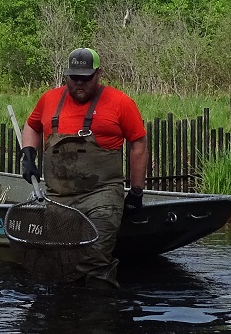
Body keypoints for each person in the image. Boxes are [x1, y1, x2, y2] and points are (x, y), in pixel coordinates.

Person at [20, 47, 147, 288]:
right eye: (74, 77)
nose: (79, 83)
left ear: (98, 75)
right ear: (66, 76)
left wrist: (137, 191)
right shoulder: (49, 99)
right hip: (59, 198)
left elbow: (138, 144)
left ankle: (99, 317)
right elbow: (32, 126)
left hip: (100, 195)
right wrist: (28, 154)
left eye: (86, 78)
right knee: (62, 262)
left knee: (94, 258)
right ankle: (66, 319)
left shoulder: (120, 102)